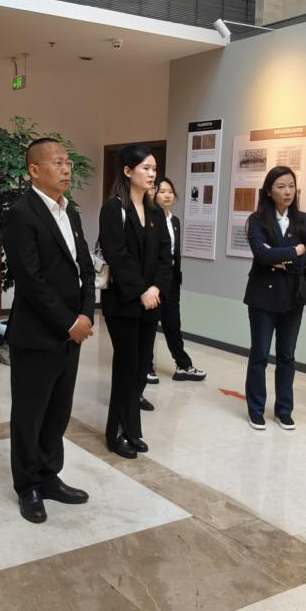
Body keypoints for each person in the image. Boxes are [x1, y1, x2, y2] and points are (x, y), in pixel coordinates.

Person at [1, 137, 96, 524]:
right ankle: (28, 486)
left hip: (71, 334)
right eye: (57, 163)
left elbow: (85, 267)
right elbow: (30, 280)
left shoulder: (70, 212)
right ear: (34, 170)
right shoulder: (20, 214)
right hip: (37, 335)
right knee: (30, 414)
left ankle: (49, 475)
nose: (66, 168)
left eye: (68, 162)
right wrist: (69, 322)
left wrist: (87, 313)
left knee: (58, 411)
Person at [99, 144, 171, 459]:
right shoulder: (113, 209)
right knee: (126, 367)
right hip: (124, 302)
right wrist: (141, 289)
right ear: (128, 171)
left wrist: (155, 288)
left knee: (142, 367)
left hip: (151, 302)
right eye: (146, 168)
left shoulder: (155, 211)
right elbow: (118, 255)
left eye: (154, 169)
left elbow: (165, 256)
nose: (152, 174)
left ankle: (133, 430)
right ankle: (116, 432)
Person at [243, 166, 306, 430]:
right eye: (281, 186)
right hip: (263, 297)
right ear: (268, 191)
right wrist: (295, 251)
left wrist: (282, 258)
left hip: (293, 297)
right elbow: (262, 255)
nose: (287, 191)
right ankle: (256, 409)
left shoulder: (303, 219)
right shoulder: (256, 220)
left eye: (291, 186)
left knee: (287, 355)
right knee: (260, 354)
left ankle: (284, 409)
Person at [150, 176, 206, 384]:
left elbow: (175, 253)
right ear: (153, 194)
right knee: (149, 324)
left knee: (173, 323)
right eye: (162, 191)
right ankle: (146, 366)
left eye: (170, 191)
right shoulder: (150, 218)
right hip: (153, 282)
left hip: (172, 280)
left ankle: (183, 365)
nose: (167, 195)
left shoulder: (174, 221)